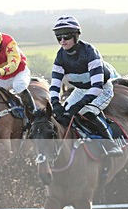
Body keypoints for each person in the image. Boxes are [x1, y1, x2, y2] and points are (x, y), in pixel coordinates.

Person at [48, 16, 123, 157]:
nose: (62, 41)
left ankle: (110, 143)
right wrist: (55, 103)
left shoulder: (90, 52)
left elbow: (97, 87)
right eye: (58, 37)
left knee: (86, 112)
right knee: (62, 115)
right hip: (80, 90)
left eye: (67, 36)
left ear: (76, 36)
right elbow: (54, 86)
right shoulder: (60, 57)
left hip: (101, 89)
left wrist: (79, 105)